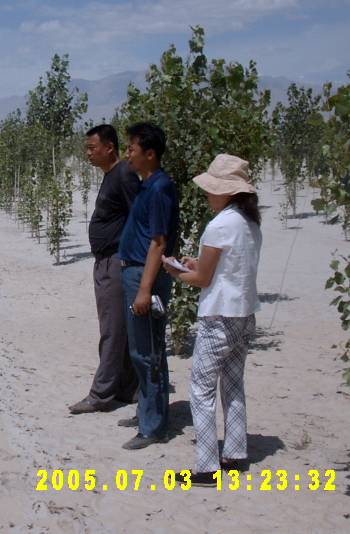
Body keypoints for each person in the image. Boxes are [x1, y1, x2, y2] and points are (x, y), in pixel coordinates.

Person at [162, 154, 262, 486]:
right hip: (245, 314)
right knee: (233, 385)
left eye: (212, 189)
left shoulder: (219, 225)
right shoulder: (250, 223)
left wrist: (175, 271)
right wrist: (195, 264)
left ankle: (206, 468)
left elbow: (203, 279)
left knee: (201, 389)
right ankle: (234, 454)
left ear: (228, 191)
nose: (207, 194)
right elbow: (224, 268)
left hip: (219, 316)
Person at [116, 122, 179, 450]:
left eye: (132, 149)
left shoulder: (159, 188)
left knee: (149, 351)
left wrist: (145, 289)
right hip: (135, 273)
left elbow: (158, 242)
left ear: (150, 154)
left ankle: (154, 426)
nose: (127, 154)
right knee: (139, 350)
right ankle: (146, 412)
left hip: (146, 275)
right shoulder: (147, 185)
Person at [69, 124, 140, 414]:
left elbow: (139, 217)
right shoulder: (112, 175)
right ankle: (127, 387)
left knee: (111, 330)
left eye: (92, 147)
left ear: (110, 147)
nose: (88, 153)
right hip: (106, 261)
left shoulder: (124, 174)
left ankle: (100, 395)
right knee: (118, 328)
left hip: (116, 261)